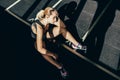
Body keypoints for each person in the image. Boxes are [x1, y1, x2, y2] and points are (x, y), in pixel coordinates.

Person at [30, 7, 87, 79]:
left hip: (46, 34)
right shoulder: (39, 28)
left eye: (57, 16)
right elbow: (40, 48)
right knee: (43, 52)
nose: (56, 19)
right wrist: (53, 54)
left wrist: (57, 19)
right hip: (38, 39)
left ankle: (76, 45)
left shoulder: (50, 19)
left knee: (62, 30)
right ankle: (60, 67)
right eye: (54, 17)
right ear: (47, 17)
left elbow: (63, 26)